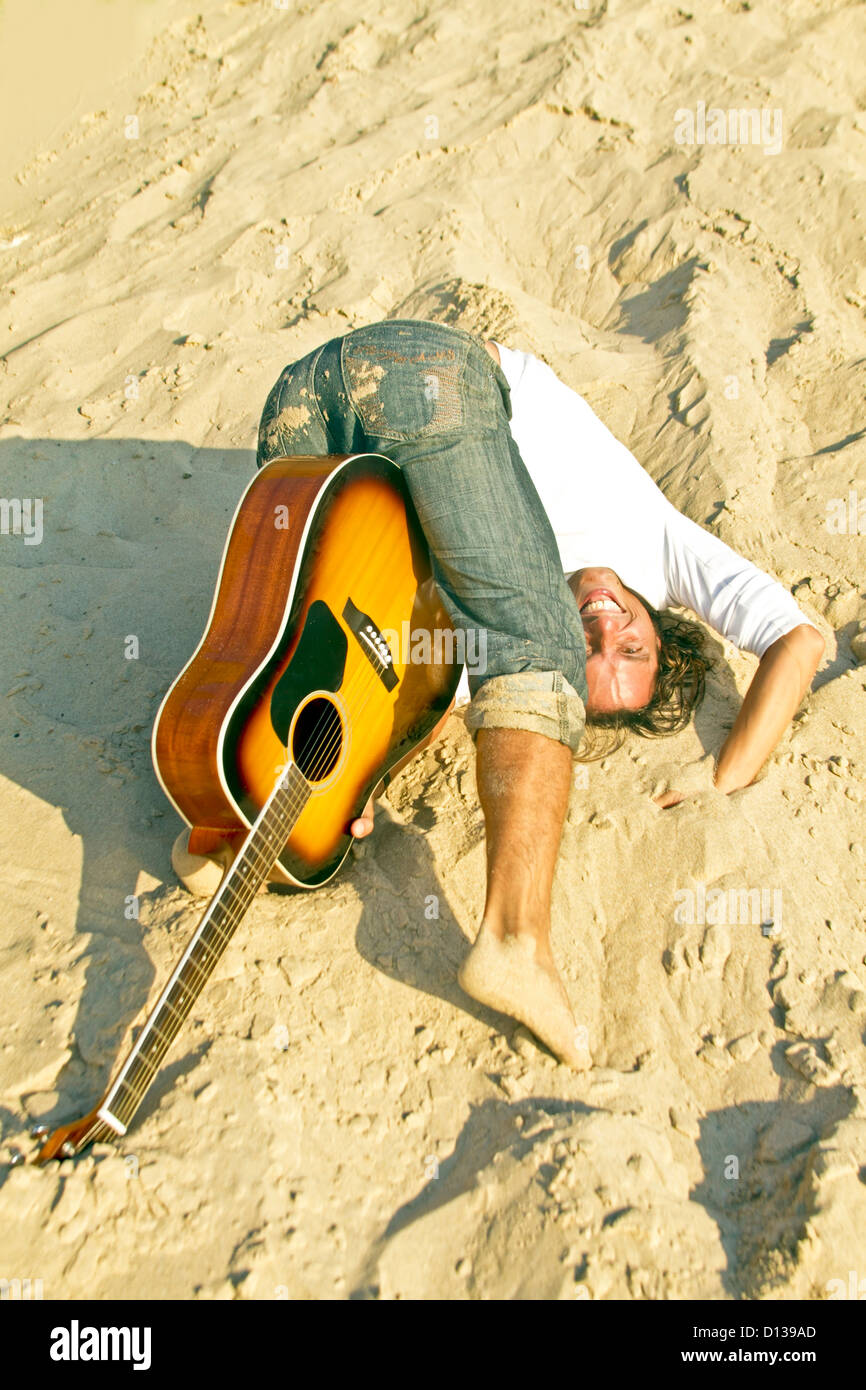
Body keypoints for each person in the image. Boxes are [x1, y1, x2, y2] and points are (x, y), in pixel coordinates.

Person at [173, 319, 824, 1069]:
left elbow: (412, 690)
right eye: (633, 643)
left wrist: (357, 780)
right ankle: (517, 937)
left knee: (340, 641)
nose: (603, 624)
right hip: (420, 379)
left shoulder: (484, 629)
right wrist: (721, 775)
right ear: (661, 621)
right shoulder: (663, 545)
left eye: (595, 654)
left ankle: (219, 821)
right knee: (532, 643)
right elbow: (798, 641)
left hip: (303, 434)